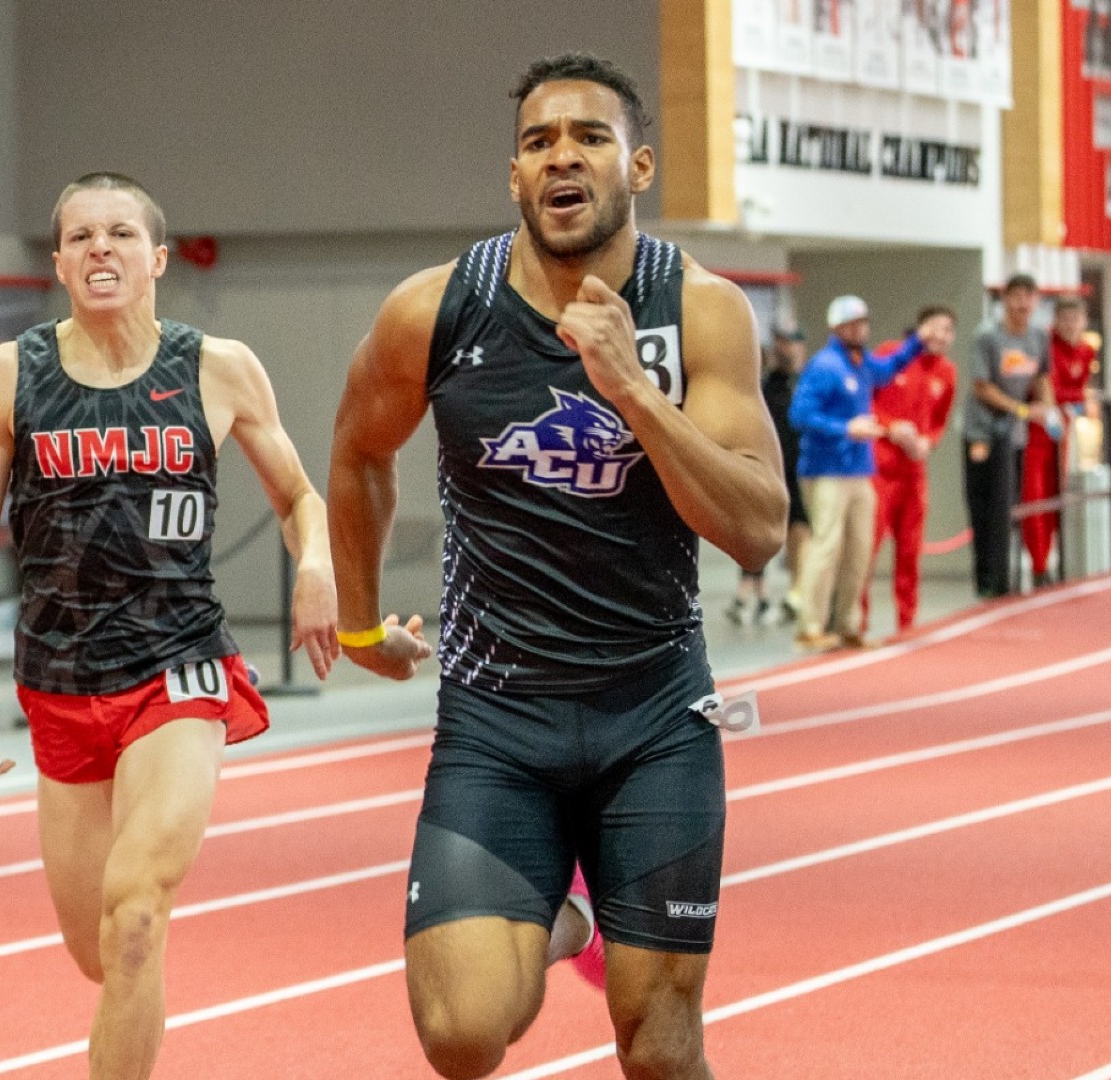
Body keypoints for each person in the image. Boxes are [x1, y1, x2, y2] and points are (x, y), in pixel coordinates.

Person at [326, 54, 785, 1080]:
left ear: (638, 166)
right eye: (538, 142)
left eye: (588, 137)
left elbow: (758, 528)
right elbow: (357, 451)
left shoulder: (698, 309)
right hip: (496, 721)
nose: (561, 157)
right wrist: (358, 625)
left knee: (656, 1046)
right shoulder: (436, 310)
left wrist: (633, 391)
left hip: (654, 716)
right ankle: (561, 915)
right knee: (460, 1034)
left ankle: (565, 910)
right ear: (514, 177)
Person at [0, 173, 339, 1080]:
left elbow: (299, 498)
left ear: (157, 258)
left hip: (178, 669)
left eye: (119, 233)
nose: (100, 249)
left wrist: (314, 564)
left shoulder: (217, 367)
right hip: (59, 679)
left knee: (133, 921)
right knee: (100, 953)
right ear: (57, 263)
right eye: (80, 237)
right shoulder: (11, 374)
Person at [788, 295, 925, 648]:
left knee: (860, 549)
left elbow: (890, 367)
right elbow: (800, 415)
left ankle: (848, 624)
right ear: (837, 328)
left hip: (859, 470)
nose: (860, 330)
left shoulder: (862, 363)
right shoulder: (825, 366)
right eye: (852, 324)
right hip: (826, 470)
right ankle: (811, 625)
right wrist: (846, 428)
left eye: (862, 323)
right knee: (826, 547)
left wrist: (918, 341)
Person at [963, 273, 1060, 598]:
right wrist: (1020, 409)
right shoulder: (987, 336)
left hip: (1015, 433)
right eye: (1016, 296)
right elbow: (981, 386)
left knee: (1012, 504)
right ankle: (989, 581)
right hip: (984, 430)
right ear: (1005, 300)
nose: (1022, 303)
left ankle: (1014, 575)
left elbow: (1042, 376)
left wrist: (1047, 408)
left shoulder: (1038, 335)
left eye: (1029, 296)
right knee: (986, 506)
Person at [864, 306, 959, 635]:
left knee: (910, 550)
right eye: (935, 328)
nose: (941, 336)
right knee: (868, 546)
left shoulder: (947, 373)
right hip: (880, 469)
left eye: (948, 330)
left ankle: (907, 621)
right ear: (920, 329)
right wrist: (891, 428)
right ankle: (856, 622)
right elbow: (867, 399)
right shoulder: (891, 354)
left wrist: (927, 442)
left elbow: (939, 422)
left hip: (914, 473)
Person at [730, 321, 810, 627]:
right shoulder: (766, 384)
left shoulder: (806, 382)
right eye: (780, 343)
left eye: (790, 343)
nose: (785, 349)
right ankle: (752, 592)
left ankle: (796, 592)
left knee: (800, 528)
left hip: (801, 468)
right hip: (768, 467)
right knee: (758, 528)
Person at [1019, 294, 1097, 584]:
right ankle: (1039, 564)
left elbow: (1079, 390)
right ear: (1056, 321)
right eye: (1064, 319)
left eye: (1075, 319)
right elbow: (1050, 390)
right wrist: (1075, 401)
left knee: (1057, 493)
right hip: (1037, 428)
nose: (1070, 324)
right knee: (1035, 495)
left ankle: (1056, 559)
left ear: (1084, 321)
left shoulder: (1086, 351)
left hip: (1062, 429)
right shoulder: (1045, 345)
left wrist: (1076, 403)